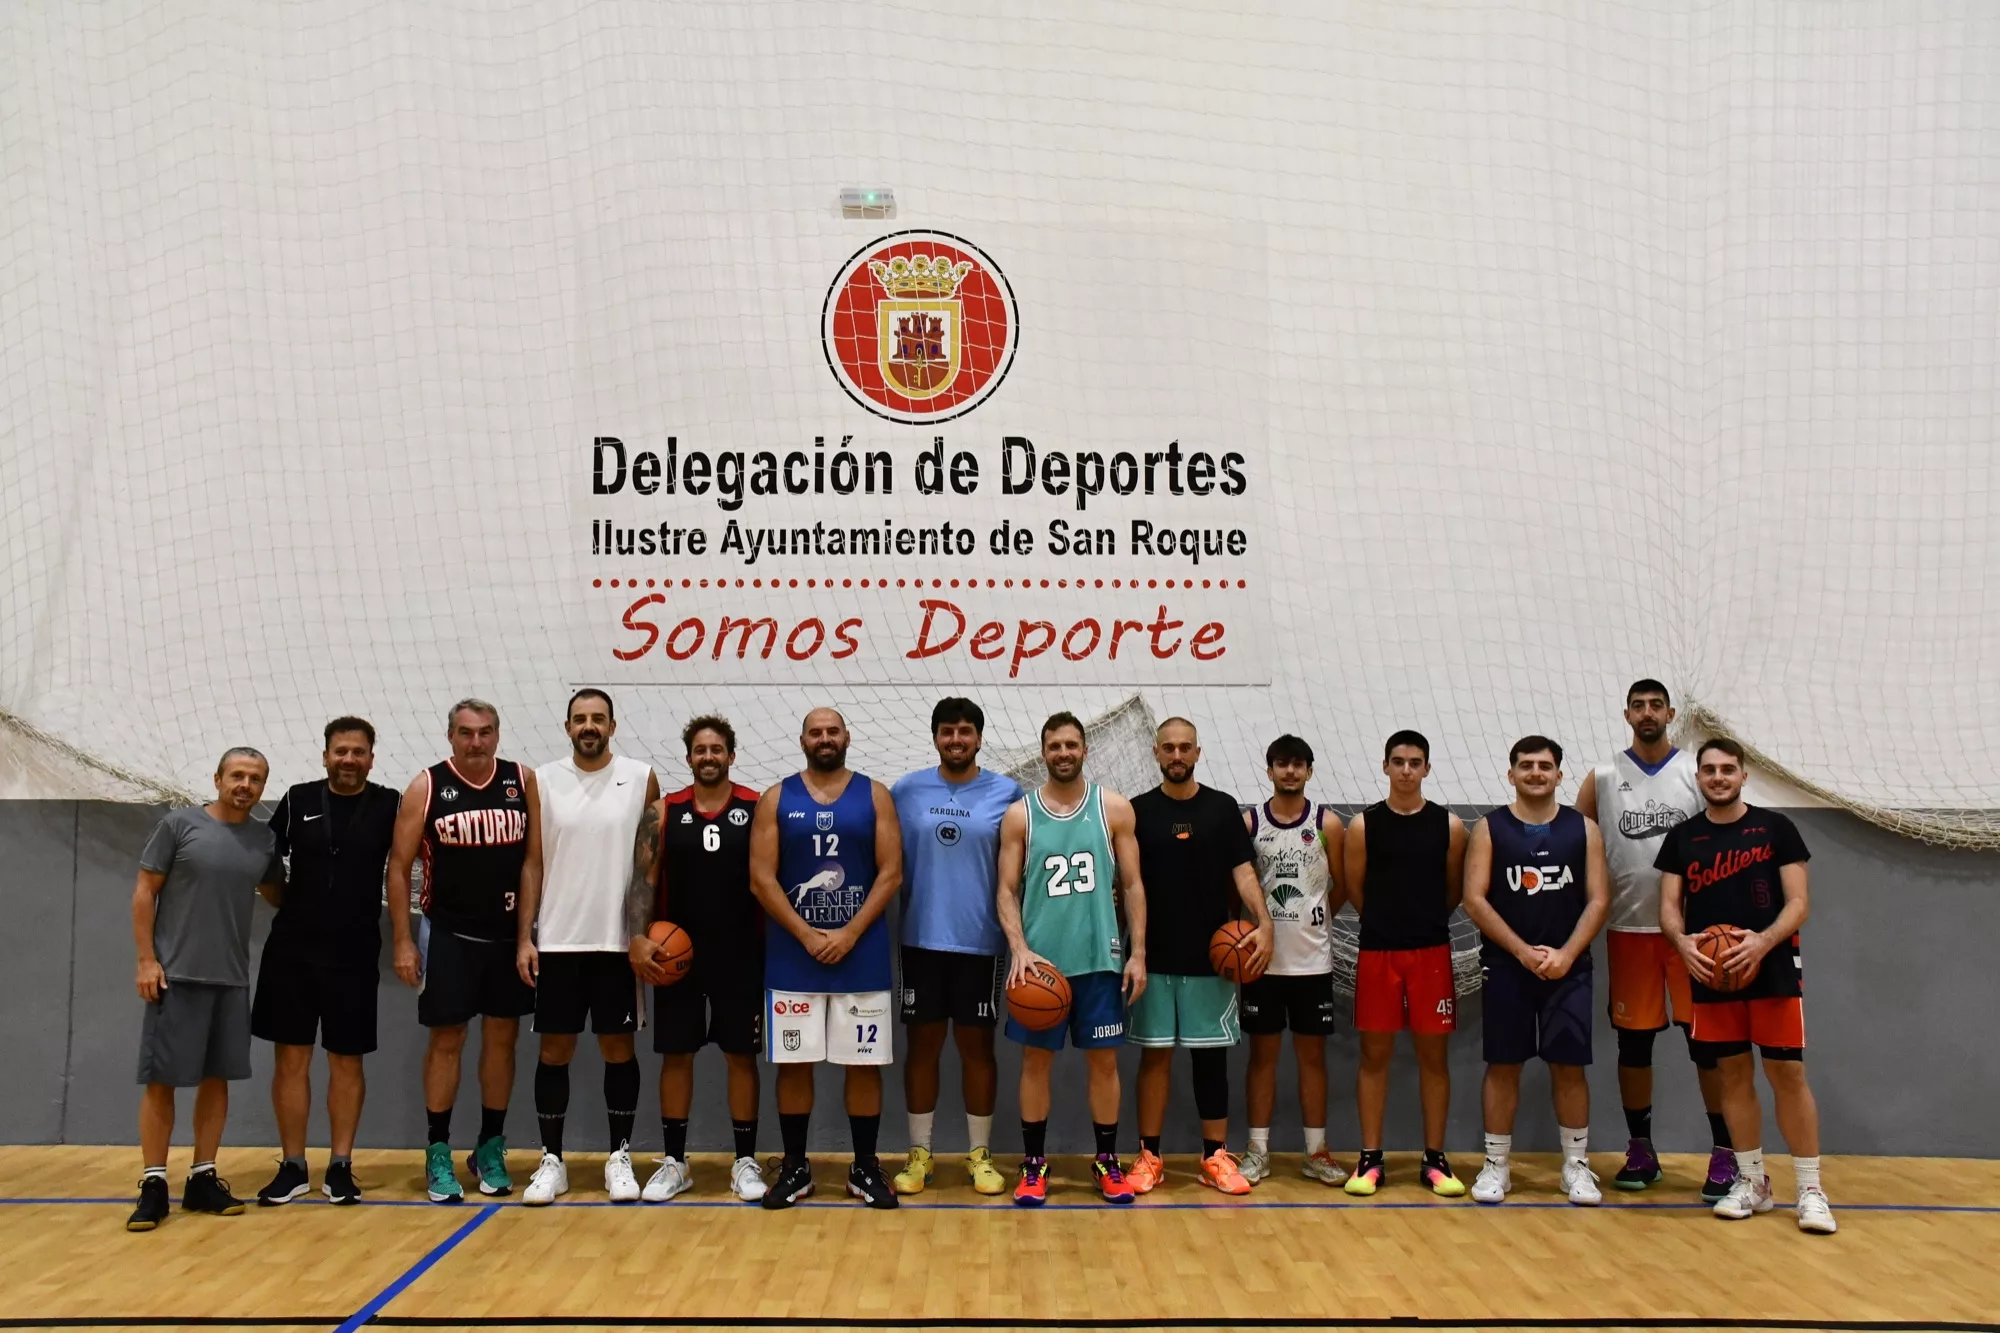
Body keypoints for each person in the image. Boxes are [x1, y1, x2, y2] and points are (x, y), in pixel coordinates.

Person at [1657, 737, 1834, 1234]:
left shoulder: (1776, 828)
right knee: (1732, 1075)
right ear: (1699, 777)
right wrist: (1683, 943)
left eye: (1727, 769)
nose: (1718, 777)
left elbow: (1798, 902)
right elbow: (1669, 907)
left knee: (1787, 1074)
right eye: (1709, 770)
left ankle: (1810, 1189)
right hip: (1713, 973)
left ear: (1742, 776)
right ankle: (1754, 1181)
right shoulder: (1683, 838)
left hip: (1771, 968)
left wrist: (1763, 941)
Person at [1575, 678, 1734, 1198]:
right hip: (1628, 929)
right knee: (1634, 1045)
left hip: (1695, 936)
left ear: (1669, 714)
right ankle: (1640, 1148)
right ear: (1627, 714)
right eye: (1638, 705)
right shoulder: (1602, 776)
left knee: (1706, 1045)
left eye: (1656, 705)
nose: (1647, 712)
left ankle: (1725, 1152)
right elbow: (1578, 842)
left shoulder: (1695, 771)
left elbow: (1727, 835)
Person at [748, 708, 904, 1209]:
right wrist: (806, 934)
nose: (824, 738)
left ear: (847, 738)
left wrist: (850, 932)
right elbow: (761, 878)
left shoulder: (875, 794)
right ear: (802, 741)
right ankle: (796, 1167)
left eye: (832, 731)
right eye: (815, 732)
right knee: (794, 1065)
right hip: (794, 957)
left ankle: (864, 1167)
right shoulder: (777, 798)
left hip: (862, 955)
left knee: (863, 1065)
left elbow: (891, 872)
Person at [387, 699, 540, 1204]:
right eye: (466, 732)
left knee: (501, 1040)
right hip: (448, 934)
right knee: (447, 1040)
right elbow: (398, 867)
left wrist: (526, 937)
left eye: (485, 732)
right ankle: (437, 1150)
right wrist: (403, 939)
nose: (476, 741)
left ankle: (490, 1147)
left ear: (497, 735)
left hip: (506, 937)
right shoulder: (427, 786)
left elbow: (532, 862)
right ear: (450, 735)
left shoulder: (522, 780)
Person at [995, 711, 1148, 1205]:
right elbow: (1005, 889)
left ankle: (1107, 1161)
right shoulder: (1020, 815)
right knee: (1035, 1064)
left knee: (1104, 1064)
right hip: (1040, 968)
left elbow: (1133, 885)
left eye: (1071, 744)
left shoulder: (1114, 808)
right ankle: (1034, 1164)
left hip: (1099, 961)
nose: (1063, 752)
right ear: (1043, 752)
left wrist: (1138, 953)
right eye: (1054, 745)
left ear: (1085, 749)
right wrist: (1019, 948)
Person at [127, 748, 281, 1232]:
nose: (245, 785)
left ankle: (202, 1178)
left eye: (255, 779)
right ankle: (154, 1184)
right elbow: (144, 891)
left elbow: (280, 896)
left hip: (232, 978)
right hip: (176, 976)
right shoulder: (179, 825)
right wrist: (147, 960)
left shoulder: (264, 840)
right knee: (163, 1080)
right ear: (218, 778)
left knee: (217, 1080)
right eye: (237, 775)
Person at [250, 718, 400, 1207]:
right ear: (325, 756)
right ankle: (293, 1165)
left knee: (346, 1059)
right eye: (340, 751)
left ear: (371, 758)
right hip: (292, 953)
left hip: (355, 953)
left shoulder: (390, 804)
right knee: (291, 1058)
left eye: (358, 752)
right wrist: (290, 906)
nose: (349, 759)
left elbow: (403, 869)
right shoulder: (298, 799)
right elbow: (267, 866)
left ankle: (340, 1166)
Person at [518, 689, 658, 1205]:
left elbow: (648, 865)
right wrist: (525, 937)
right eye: (580, 719)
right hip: (558, 940)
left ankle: (619, 1156)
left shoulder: (641, 778)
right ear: (568, 727)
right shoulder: (543, 779)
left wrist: (641, 933)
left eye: (598, 718)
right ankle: (551, 1161)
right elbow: (533, 862)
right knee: (554, 1051)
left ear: (612, 726)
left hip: (618, 943)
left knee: (618, 1050)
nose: (589, 726)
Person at [1461, 736, 1611, 1206]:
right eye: (1526, 765)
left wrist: (1566, 954)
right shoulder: (1490, 828)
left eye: (1545, 766)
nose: (1535, 773)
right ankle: (1496, 1165)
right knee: (1503, 1064)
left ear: (1559, 775)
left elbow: (1599, 899)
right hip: (1507, 966)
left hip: (1570, 968)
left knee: (1569, 1066)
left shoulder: (1584, 829)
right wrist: (1523, 952)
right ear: (1511, 774)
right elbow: (1474, 899)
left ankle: (1576, 1166)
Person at [1126, 717, 1272, 1195]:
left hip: (1214, 957)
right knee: (1154, 1058)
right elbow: (1126, 884)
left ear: (1197, 752)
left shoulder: (1221, 808)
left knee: (1211, 1061)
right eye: (1168, 747)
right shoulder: (1137, 811)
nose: (1177, 755)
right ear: (1155, 752)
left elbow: (1243, 873)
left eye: (1184, 747)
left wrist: (1264, 921)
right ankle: (1149, 1156)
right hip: (1154, 956)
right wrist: (1134, 951)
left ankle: (1214, 1157)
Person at [625, 715, 766, 1203]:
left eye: (717, 749)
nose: (708, 756)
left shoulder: (757, 807)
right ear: (688, 758)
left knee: (741, 1056)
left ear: (731, 755)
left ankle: (744, 1161)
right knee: (676, 1055)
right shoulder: (664, 811)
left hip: (740, 953)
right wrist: (637, 937)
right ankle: (675, 1162)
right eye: (700, 750)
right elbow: (643, 880)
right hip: (676, 957)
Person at [890, 698, 1023, 1196]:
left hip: (981, 943)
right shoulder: (906, 791)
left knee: (977, 1049)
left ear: (979, 739)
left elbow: (1024, 866)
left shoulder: (1007, 793)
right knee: (922, 1049)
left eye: (965, 731)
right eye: (947, 731)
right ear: (935, 738)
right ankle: (920, 1154)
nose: (956, 739)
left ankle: (979, 1156)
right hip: (921, 939)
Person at [1345, 730, 1469, 1197]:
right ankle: (1370, 1159)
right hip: (1378, 952)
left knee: (1433, 1059)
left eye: (1415, 762)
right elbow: (1356, 890)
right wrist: (1388, 924)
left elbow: (1453, 890)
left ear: (1427, 769)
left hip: (1430, 953)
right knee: (1373, 1056)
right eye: (1398, 761)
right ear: (1385, 766)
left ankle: (1434, 1158)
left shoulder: (1450, 826)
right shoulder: (1363, 826)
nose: (1406, 770)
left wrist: (1421, 924)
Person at [1240, 735, 1347, 1186]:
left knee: (1312, 1059)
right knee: (1261, 1058)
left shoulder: (1327, 823)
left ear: (1309, 770)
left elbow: (1341, 884)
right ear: (1269, 771)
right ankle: (1257, 1151)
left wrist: (1314, 921)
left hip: (1312, 962)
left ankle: (1316, 1152)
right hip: (1262, 963)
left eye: (1298, 764)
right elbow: (1239, 883)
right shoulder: (1250, 822)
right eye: (1282, 764)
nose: (1290, 771)